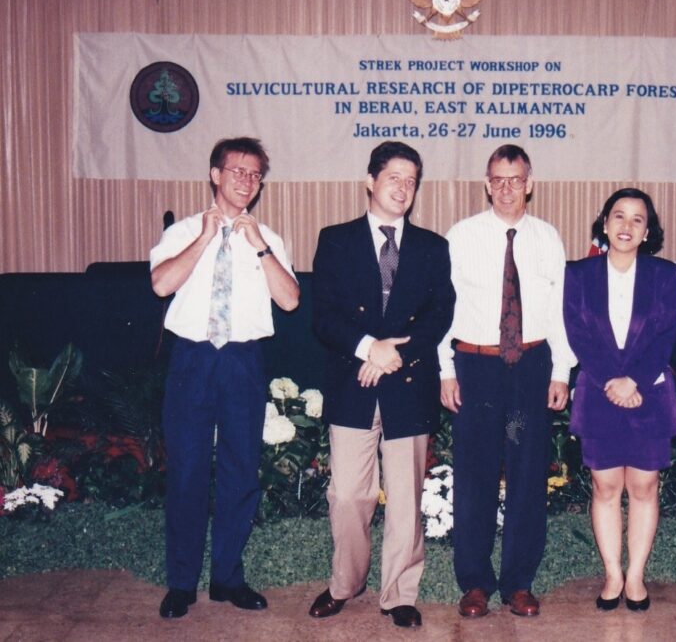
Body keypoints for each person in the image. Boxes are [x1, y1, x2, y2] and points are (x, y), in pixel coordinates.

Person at [150, 136, 300, 619]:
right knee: (188, 470)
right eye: (237, 171)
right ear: (215, 174)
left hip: (241, 361)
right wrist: (204, 239)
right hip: (192, 360)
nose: (246, 181)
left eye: (255, 175)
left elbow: (291, 300)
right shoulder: (184, 232)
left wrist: (260, 249)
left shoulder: (268, 238)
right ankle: (181, 583)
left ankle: (227, 578)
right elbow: (162, 284)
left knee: (240, 470)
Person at [308, 141, 455, 629]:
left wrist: (395, 354)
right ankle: (344, 584)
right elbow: (324, 316)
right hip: (354, 383)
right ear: (370, 181)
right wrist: (369, 347)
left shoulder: (433, 247)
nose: (403, 188)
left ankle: (398, 594)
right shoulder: (336, 239)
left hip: (407, 383)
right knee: (348, 495)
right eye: (394, 177)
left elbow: (439, 316)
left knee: (406, 497)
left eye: (412, 180)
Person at [439, 144, 576, 618]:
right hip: (476, 367)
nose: (505, 189)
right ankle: (474, 583)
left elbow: (559, 311)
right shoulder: (461, 236)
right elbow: (443, 310)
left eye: (514, 180)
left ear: (530, 183)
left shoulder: (547, 238)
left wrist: (561, 369)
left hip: (531, 367)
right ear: (486, 182)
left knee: (526, 474)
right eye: (497, 179)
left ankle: (519, 582)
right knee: (474, 475)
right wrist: (446, 369)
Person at [563, 188, 676, 613]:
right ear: (605, 224)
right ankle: (612, 573)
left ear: (647, 231)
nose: (626, 226)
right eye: (619, 216)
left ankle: (636, 577)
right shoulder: (578, 274)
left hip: (648, 392)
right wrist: (611, 379)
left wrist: (634, 380)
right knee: (606, 485)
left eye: (637, 219)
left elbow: (666, 335)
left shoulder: (664, 275)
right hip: (599, 392)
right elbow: (577, 333)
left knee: (644, 486)